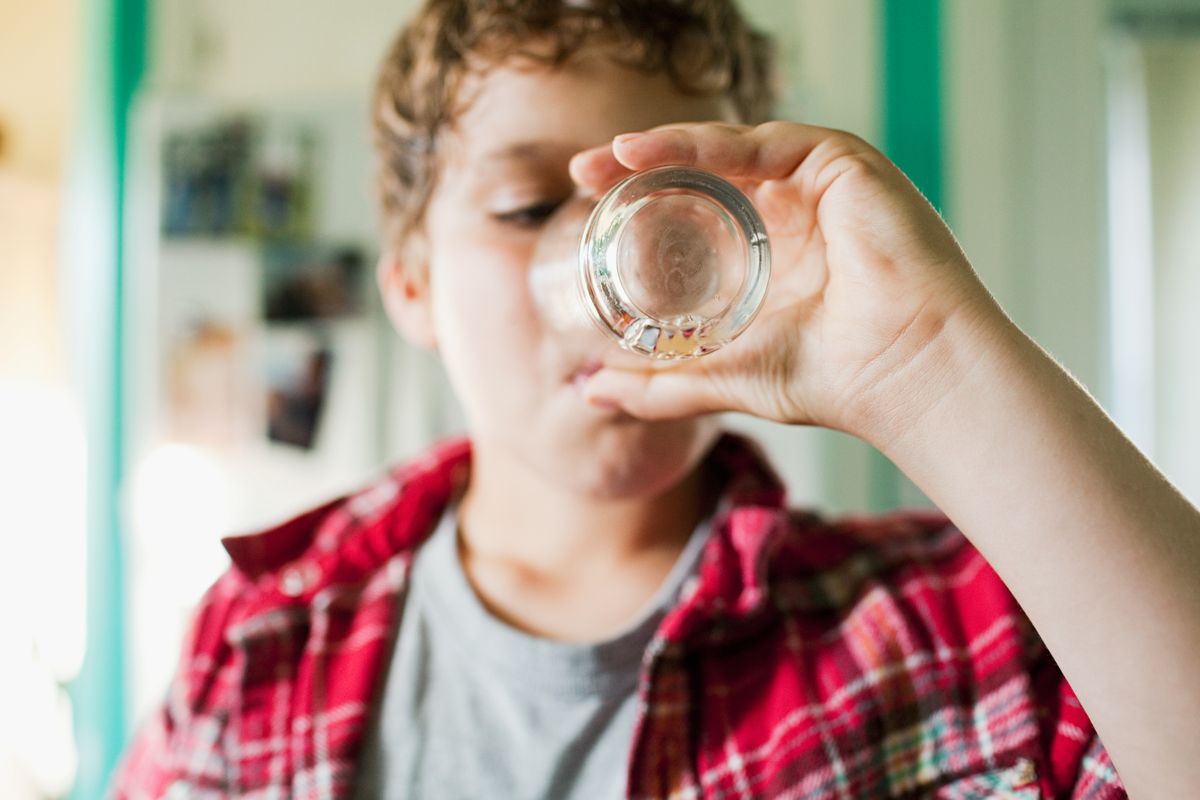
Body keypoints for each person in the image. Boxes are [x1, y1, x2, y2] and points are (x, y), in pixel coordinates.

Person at [112, 1, 1200, 797]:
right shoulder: (265, 637)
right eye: (530, 201)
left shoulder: (945, 625)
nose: (616, 269)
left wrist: (931, 361)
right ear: (411, 281)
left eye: (671, 210)